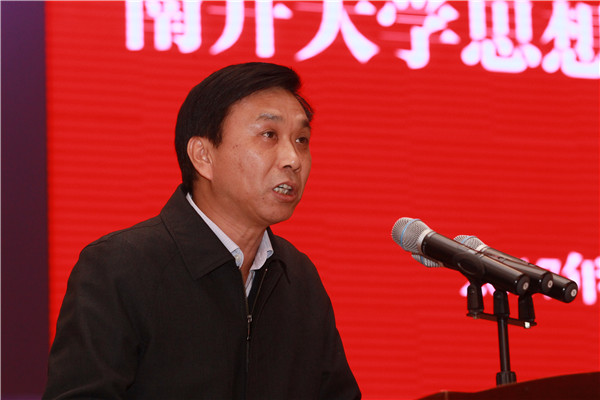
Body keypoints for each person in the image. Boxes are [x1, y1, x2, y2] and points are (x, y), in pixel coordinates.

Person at [44, 62, 361, 399]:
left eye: (301, 140)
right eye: (269, 135)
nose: (293, 159)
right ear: (203, 156)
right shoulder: (119, 268)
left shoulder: (298, 277)